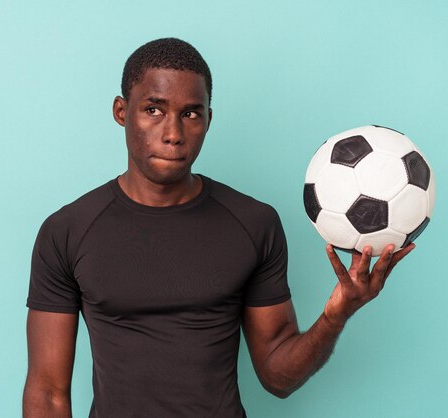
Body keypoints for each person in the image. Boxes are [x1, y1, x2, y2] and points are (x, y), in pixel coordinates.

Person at [22, 38, 414, 418]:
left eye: (191, 113)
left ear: (209, 119)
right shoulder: (68, 231)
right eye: (154, 110)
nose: (173, 134)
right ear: (122, 112)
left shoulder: (252, 223)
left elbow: (278, 378)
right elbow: (48, 393)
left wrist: (336, 315)